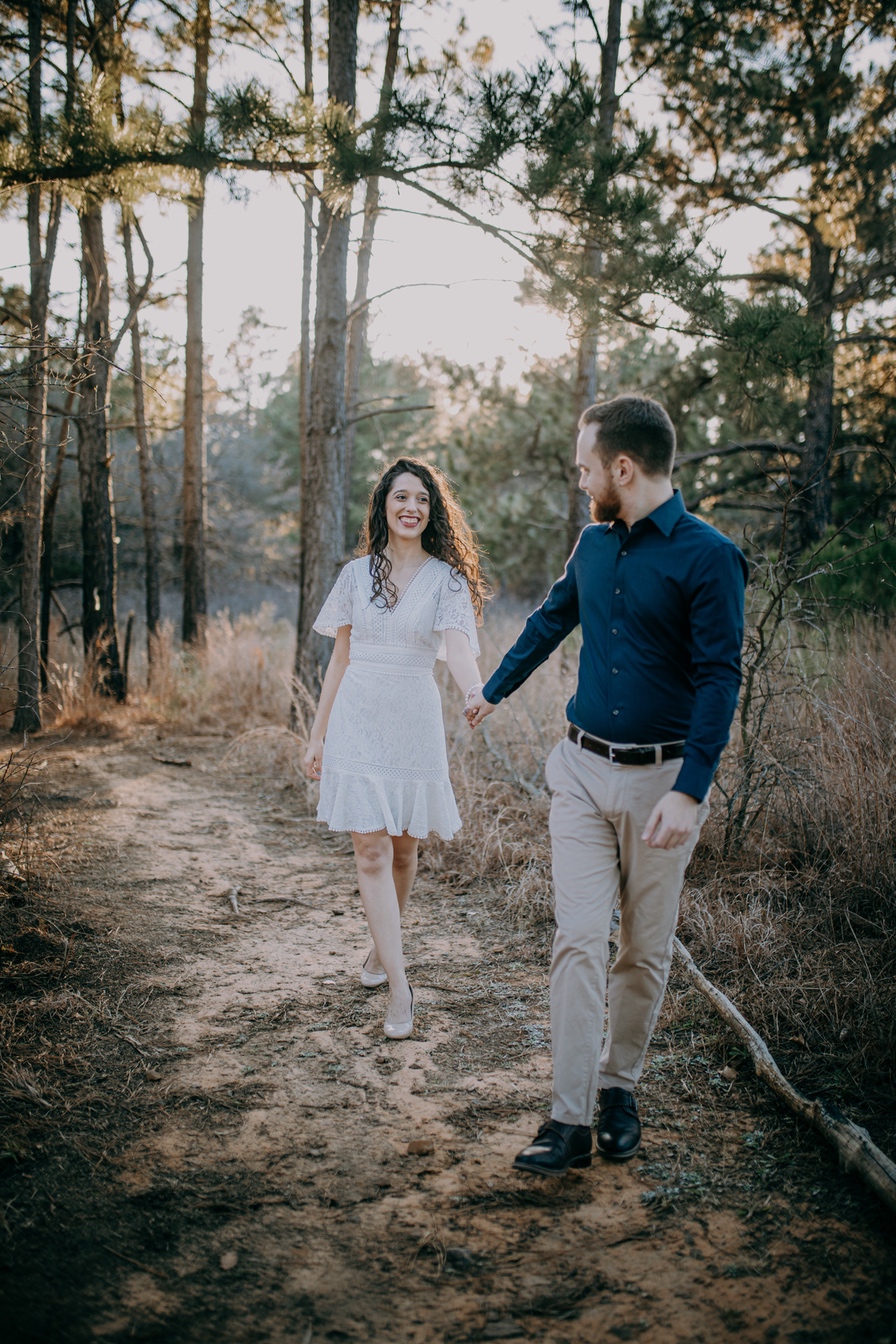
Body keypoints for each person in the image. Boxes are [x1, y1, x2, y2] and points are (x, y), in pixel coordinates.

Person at [466, 394, 748, 1175]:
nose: (581, 477)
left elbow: (721, 677)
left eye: (587, 465)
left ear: (622, 467)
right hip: (581, 774)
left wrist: (691, 789)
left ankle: (620, 1086)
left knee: (644, 951)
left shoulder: (708, 556)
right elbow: (551, 620)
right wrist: (492, 690)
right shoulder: (593, 544)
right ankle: (569, 1116)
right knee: (579, 941)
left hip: (663, 782)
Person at [303, 457, 487, 1040]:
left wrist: (476, 690)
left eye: (423, 500)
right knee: (371, 852)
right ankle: (402, 988)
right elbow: (339, 660)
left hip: (412, 716)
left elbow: (457, 648)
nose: (412, 507)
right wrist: (317, 733)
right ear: (383, 505)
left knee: (405, 853)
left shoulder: (447, 581)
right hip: (358, 716)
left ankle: (382, 950)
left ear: (432, 513)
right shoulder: (355, 577)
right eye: (401, 497)